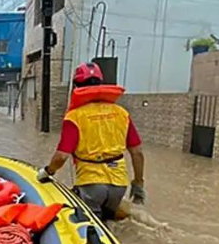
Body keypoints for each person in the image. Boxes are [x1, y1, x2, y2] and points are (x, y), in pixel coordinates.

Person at [37, 62, 146, 221]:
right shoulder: (121, 113)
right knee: (110, 223)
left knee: (91, 227)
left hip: (91, 185)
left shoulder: (75, 116)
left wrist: (48, 171)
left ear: (76, 86)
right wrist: (138, 183)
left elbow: (61, 157)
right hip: (119, 185)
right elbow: (137, 152)